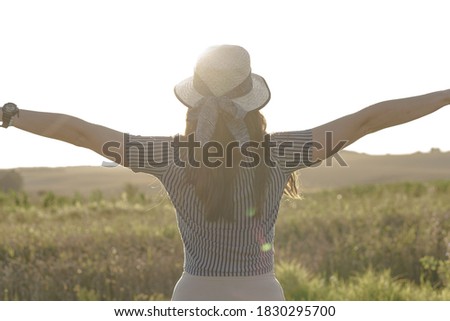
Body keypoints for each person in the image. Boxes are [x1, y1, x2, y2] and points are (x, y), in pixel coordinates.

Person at [1, 45, 449, 300]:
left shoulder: (167, 156)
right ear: (251, 101)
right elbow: (371, 118)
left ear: (193, 104)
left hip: (194, 294)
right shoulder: (283, 152)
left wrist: (14, 116)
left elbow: (80, 132)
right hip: (262, 294)